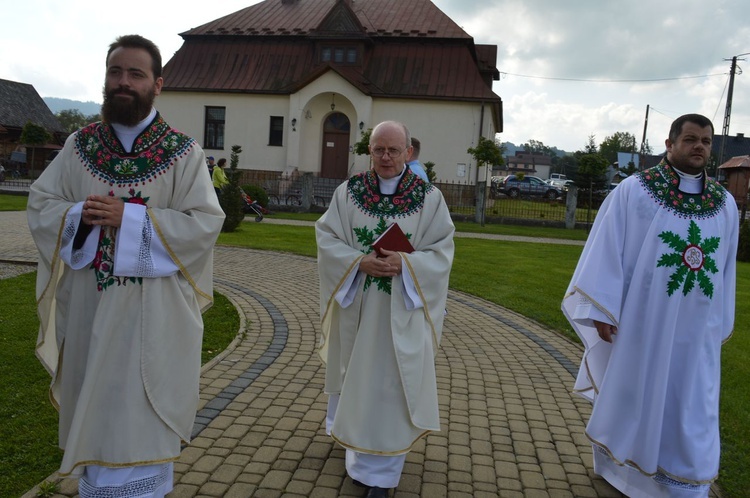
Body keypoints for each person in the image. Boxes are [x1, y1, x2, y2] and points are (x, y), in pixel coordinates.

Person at [26, 34, 225, 498]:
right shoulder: (79, 146)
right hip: (90, 313)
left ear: (157, 84)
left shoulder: (182, 153)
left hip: (152, 322)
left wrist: (130, 218)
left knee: (139, 421)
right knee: (97, 416)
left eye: (135, 74)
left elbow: (204, 224)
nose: (123, 82)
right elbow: (42, 203)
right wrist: (79, 215)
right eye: (115, 72)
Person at [562, 114, 738, 498]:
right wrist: (602, 309)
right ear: (670, 142)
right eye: (690, 139)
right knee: (636, 391)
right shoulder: (635, 191)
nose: (699, 147)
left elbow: (725, 269)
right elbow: (608, 248)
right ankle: (624, 471)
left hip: (697, 332)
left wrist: (718, 320)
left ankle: (684, 481)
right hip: (644, 323)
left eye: (706, 141)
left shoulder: (724, 204)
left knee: (692, 401)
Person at [316, 121, 454, 497]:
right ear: (370, 152)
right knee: (357, 385)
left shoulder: (429, 198)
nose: (387, 157)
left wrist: (406, 265)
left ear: (409, 152)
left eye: (394, 150)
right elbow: (326, 237)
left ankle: (384, 474)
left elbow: (442, 252)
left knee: (391, 389)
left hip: (401, 314)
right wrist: (359, 262)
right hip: (358, 309)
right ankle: (359, 461)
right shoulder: (348, 193)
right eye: (379, 150)